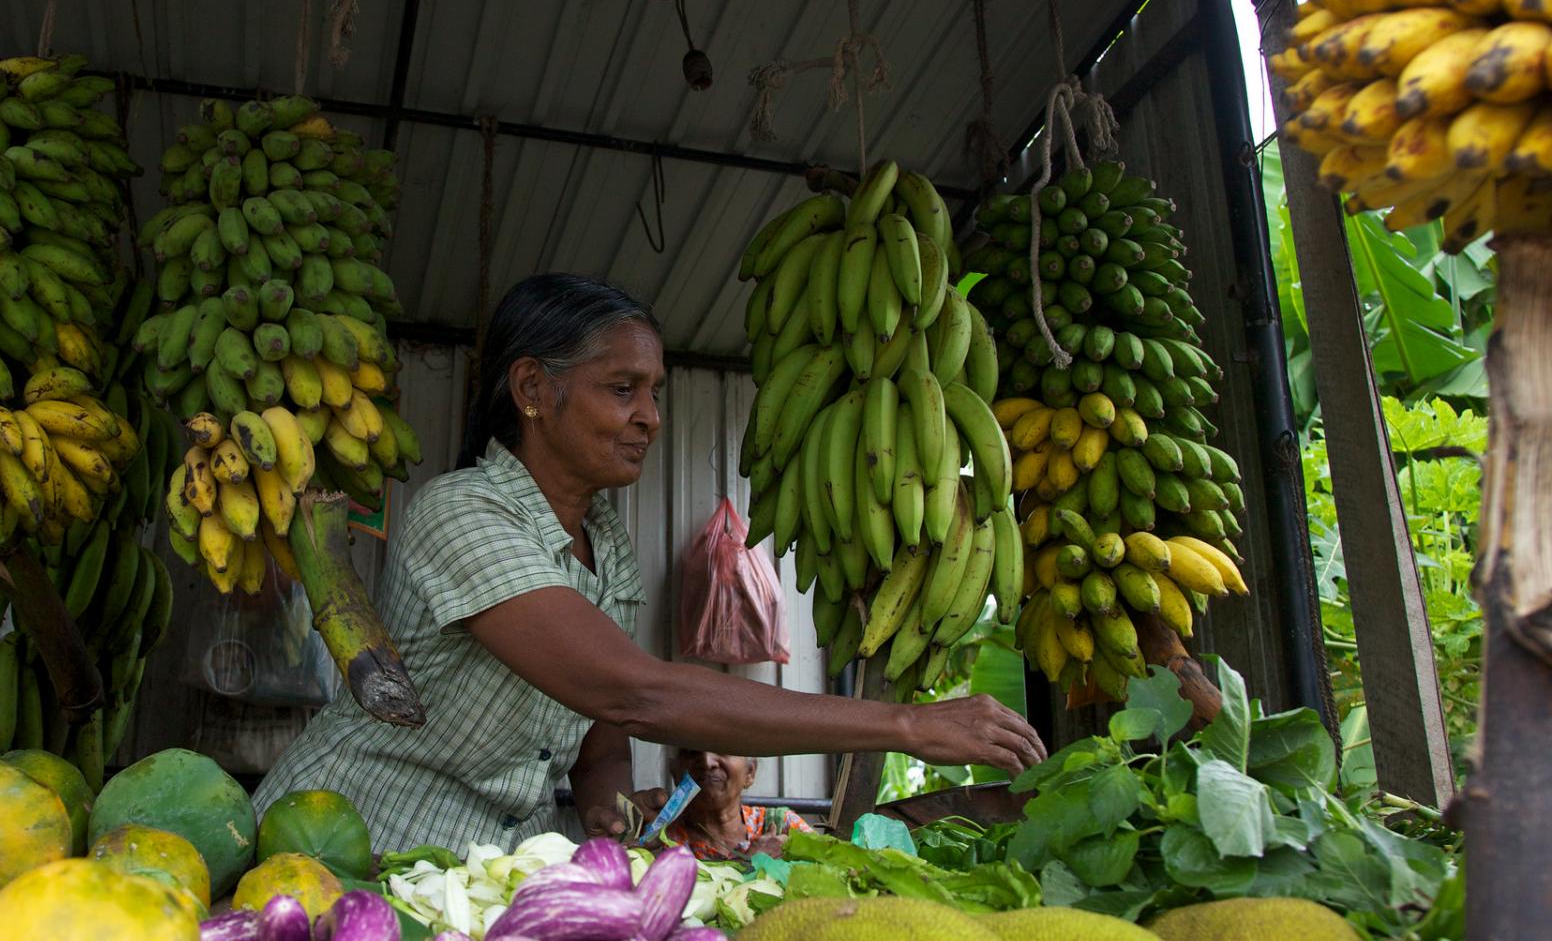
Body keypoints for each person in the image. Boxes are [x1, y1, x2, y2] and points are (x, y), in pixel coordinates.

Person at [251, 273, 1045, 853]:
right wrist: (905, 725)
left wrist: (608, 803)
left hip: (492, 862)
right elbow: (633, 692)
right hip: (349, 838)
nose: (651, 418)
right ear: (532, 389)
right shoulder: (461, 513)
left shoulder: (608, 542)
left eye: (655, 391)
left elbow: (597, 734)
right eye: (622, 388)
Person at [660, 749, 811, 861]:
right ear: (675, 773)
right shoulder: (664, 843)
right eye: (691, 751)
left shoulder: (783, 826)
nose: (707, 762)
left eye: (723, 749)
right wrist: (752, 864)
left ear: (750, 773)